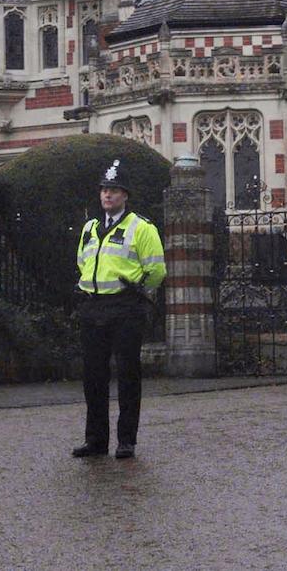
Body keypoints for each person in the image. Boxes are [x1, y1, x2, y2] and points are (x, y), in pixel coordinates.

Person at [71, 158, 167, 460]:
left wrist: (136, 286)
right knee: (93, 378)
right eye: (104, 190)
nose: (107, 195)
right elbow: (82, 262)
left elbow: (157, 271)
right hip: (93, 307)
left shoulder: (142, 228)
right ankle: (96, 441)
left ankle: (126, 440)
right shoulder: (90, 227)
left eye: (113, 190)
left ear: (125, 195)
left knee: (127, 376)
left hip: (126, 307)